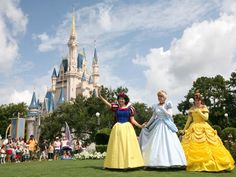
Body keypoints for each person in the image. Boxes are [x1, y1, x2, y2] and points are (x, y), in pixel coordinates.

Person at [181, 90, 235, 171]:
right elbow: (188, 121)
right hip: (193, 127)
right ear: (194, 100)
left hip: (204, 127)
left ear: (200, 100)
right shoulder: (192, 109)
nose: (197, 101)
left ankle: (211, 164)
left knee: (210, 145)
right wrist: (184, 129)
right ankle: (194, 164)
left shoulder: (204, 107)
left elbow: (206, 118)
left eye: (198, 100)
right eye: (196, 100)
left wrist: (199, 112)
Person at [98, 89, 145, 169]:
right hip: (118, 128)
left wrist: (140, 126)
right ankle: (112, 164)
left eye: (122, 99)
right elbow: (108, 104)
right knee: (116, 146)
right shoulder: (116, 107)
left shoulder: (131, 108)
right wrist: (100, 96)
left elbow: (133, 120)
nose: (121, 100)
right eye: (119, 98)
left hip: (127, 128)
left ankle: (130, 164)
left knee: (128, 146)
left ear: (125, 100)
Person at [139, 90, 186, 168]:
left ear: (165, 98)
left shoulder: (168, 105)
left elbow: (169, 115)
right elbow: (153, 117)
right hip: (157, 124)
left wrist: (163, 109)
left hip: (166, 125)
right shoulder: (155, 106)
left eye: (161, 96)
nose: (160, 98)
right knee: (155, 142)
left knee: (170, 143)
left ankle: (172, 162)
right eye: (159, 96)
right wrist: (147, 125)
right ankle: (154, 162)